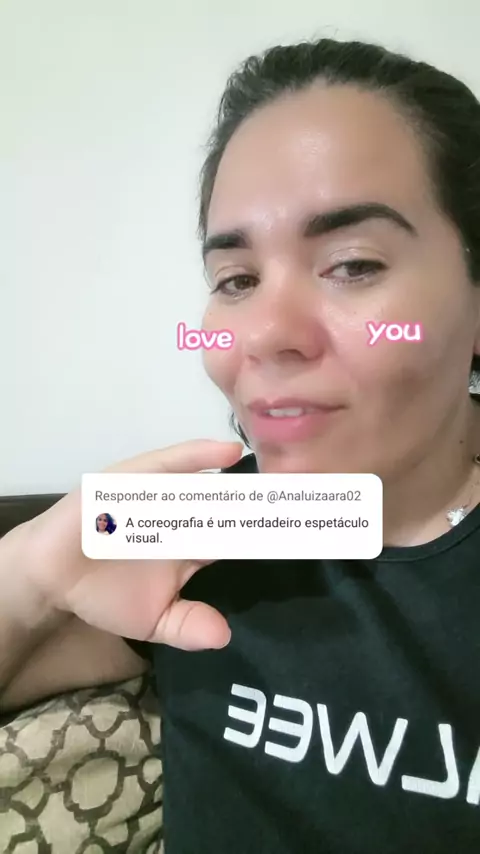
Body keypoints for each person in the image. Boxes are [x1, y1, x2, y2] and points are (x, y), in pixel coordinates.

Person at [2, 35, 480, 853]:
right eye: (237, 281)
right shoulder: (213, 524)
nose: (263, 334)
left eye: (352, 264)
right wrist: (32, 575)